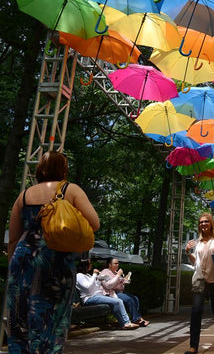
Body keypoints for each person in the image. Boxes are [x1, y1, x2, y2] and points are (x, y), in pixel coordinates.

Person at [6, 151, 100, 352]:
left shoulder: (23, 195)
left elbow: (13, 238)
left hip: (23, 259)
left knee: (20, 318)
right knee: (51, 317)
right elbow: (95, 223)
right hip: (55, 259)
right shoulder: (70, 190)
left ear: (40, 169)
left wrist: (14, 268)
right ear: (63, 169)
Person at [184, 212, 214, 352]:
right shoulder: (197, 242)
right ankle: (193, 347)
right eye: (201, 222)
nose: (203, 224)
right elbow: (196, 262)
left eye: (206, 221)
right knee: (196, 310)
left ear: (211, 224)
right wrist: (187, 252)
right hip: (199, 278)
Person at [76, 259, 138, 330]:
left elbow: (95, 286)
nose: (91, 266)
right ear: (85, 266)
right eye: (90, 264)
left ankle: (123, 323)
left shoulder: (87, 275)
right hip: (90, 298)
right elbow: (88, 288)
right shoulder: (79, 276)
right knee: (118, 301)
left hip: (97, 296)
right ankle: (126, 322)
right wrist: (94, 275)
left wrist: (99, 280)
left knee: (115, 302)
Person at [100, 257, 149, 327]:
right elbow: (109, 285)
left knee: (135, 298)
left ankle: (136, 318)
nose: (117, 265)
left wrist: (125, 279)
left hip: (120, 292)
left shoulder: (116, 272)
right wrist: (118, 275)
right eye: (115, 263)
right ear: (110, 264)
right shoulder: (105, 272)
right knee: (129, 300)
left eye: (118, 263)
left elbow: (121, 283)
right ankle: (138, 319)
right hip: (112, 293)